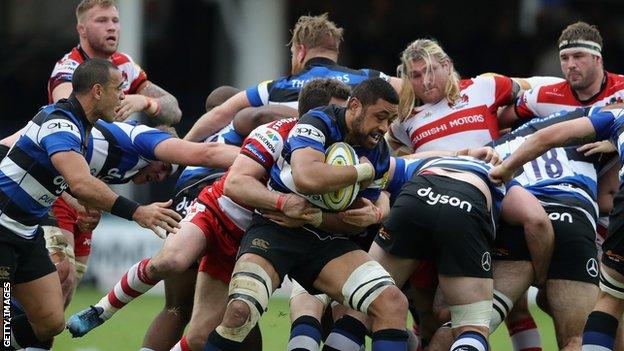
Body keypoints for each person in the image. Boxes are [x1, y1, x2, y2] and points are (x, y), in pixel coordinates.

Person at [66, 78, 351, 351]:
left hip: (246, 238)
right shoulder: (275, 130)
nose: (342, 119)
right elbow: (238, 152)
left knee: (213, 328)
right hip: (214, 208)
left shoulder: (336, 154)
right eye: (336, 111)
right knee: (173, 265)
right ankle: (102, 309)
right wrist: (277, 196)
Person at [202, 78, 408, 351]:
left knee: (392, 302)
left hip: (326, 238)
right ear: (354, 107)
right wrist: (360, 172)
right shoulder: (312, 123)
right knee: (240, 312)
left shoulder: (378, 151)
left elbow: (353, 222)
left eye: (390, 120)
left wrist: (365, 215)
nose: (383, 128)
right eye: (380, 117)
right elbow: (305, 177)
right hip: (275, 230)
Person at [0, 58, 181, 349]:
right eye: (118, 89)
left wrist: (79, 201)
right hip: (3, 227)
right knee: (4, 330)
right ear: (97, 91)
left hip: (26, 230)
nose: (123, 96)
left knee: (50, 322)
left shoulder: (86, 129)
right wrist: (137, 212)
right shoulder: (60, 121)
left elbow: (71, 182)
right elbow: (80, 182)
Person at [389, 38, 554, 350]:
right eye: (414, 74)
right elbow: (395, 153)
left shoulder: (483, 87)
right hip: (439, 200)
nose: (425, 80)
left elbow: (536, 91)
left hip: (491, 181)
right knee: (437, 313)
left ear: (447, 66)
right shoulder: (405, 119)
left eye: (431, 70)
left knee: (537, 220)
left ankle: (541, 282)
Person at [488, 103, 624, 351]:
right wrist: (615, 142)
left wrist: (505, 169)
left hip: (515, 218)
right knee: (581, 334)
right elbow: (607, 198)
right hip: (569, 216)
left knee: (470, 324)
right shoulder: (589, 117)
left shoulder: (494, 146)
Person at [183, 13, 400, 144]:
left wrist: (180, 150)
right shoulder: (367, 79)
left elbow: (220, 112)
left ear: (301, 51)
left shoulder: (274, 87)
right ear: (336, 50)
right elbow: (410, 91)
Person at [49, 0, 181, 125]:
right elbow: (68, 114)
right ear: (82, 29)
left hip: (113, 145)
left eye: (115, 21)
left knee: (168, 133)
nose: (111, 27)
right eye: (102, 20)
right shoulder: (68, 67)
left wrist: (146, 102)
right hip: (76, 146)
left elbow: (175, 112)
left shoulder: (125, 63)